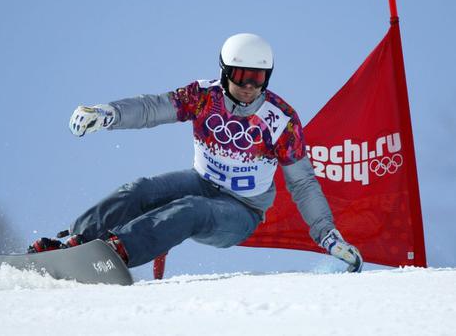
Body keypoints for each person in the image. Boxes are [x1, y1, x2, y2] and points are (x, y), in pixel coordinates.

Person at [29, 33, 363, 273]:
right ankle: (75, 240)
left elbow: (303, 184)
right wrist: (109, 114)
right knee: (140, 189)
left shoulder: (280, 121)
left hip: (242, 211)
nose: (250, 86)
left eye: (259, 77)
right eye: (242, 76)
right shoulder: (203, 96)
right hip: (200, 181)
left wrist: (328, 236)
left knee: (190, 211)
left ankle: (116, 252)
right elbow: (152, 108)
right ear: (225, 72)